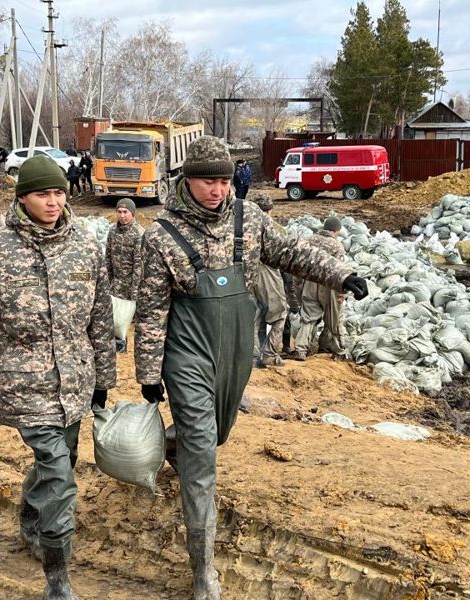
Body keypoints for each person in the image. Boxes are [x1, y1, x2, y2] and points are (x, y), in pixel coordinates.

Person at [134, 135, 368, 600]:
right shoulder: (160, 236)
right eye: (207, 181)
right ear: (188, 180)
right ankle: (203, 571)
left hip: (237, 351)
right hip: (187, 355)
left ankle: (176, 442)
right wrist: (147, 372)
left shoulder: (251, 219)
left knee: (214, 433)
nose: (217, 190)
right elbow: (151, 309)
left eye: (223, 180)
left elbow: (291, 252)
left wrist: (341, 275)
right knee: (205, 456)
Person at [0, 154, 116, 600]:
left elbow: (101, 320)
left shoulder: (86, 247)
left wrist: (104, 377)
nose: (53, 202)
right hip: (23, 385)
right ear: (22, 198)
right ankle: (58, 578)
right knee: (59, 477)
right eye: (42, 194)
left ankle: (31, 519)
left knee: (58, 464)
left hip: (75, 381)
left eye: (59, 193)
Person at [293, 216, 348, 361]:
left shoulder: (309, 240)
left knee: (308, 317)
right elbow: (341, 271)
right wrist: (341, 294)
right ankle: (335, 350)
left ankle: (301, 350)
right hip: (329, 285)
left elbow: (299, 263)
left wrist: (298, 285)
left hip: (310, 282)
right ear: (336, 231)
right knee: (334, 319)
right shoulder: (336, 246)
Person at [250, 192, 289, 368]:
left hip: (244, 274)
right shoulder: (276, 229)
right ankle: (270, 354)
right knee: (279, 315)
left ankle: (251, 356)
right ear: (270, 211)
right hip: (269, 273)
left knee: (252, 316)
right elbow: (287, 259)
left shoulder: (240, 227)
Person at [106, 198, 144, 353]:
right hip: (115, 284)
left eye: (125, 212)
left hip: (130, 285)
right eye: (119, 212)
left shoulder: (139, 234)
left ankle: (125, 347)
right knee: (114, 317)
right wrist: (106, 281)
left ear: (133, 214)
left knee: (125, 318)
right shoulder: (112, 231)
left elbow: (138, 265)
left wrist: (135, 291)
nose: (122, 216)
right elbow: (107, 257)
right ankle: (117, 347)